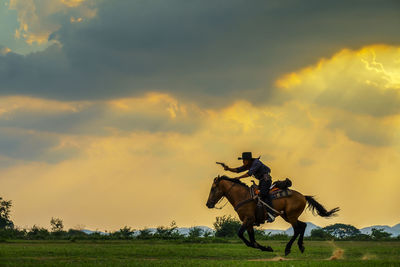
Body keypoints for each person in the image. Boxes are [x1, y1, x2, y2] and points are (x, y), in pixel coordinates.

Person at [219, 152, 275, 222]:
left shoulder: (256, 163)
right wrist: (228, 169)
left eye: (244, 160)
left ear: (248, 160)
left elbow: (249, 174)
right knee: (257, 196)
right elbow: (238, 170)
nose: (243, 162)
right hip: (262, 181)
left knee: (263, 194)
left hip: (266, 180)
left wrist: (239, 178)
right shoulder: (249, 164)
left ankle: (272, 214)